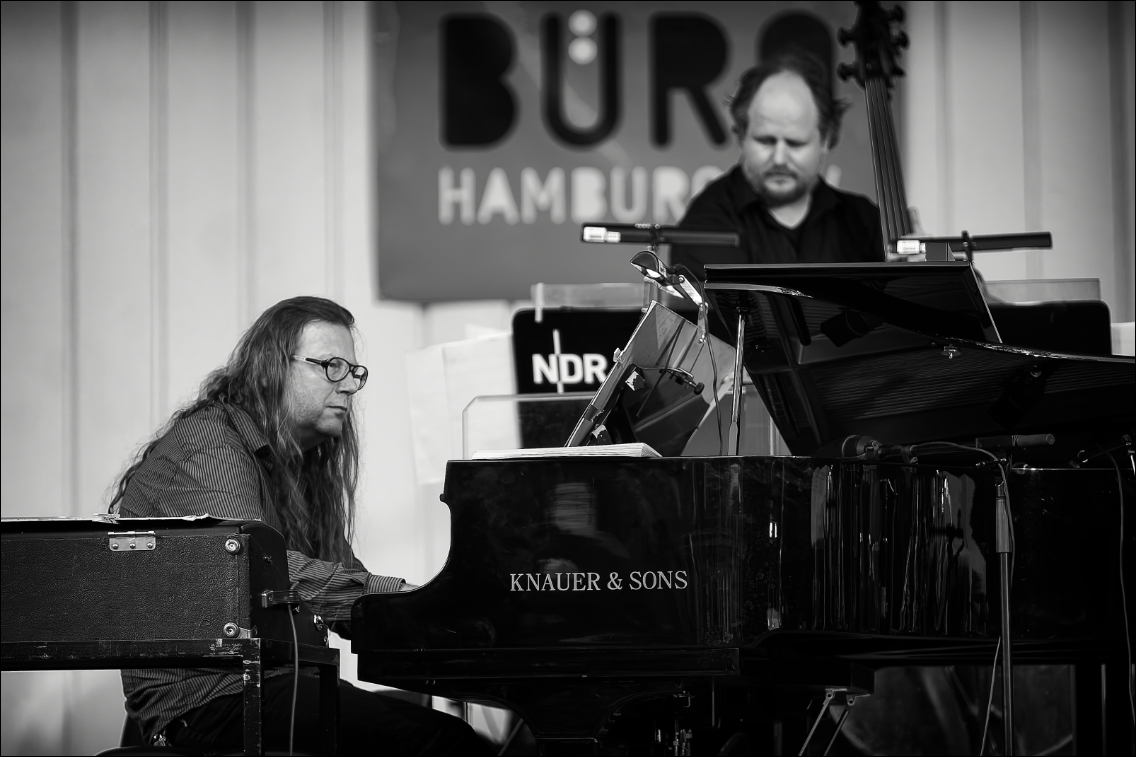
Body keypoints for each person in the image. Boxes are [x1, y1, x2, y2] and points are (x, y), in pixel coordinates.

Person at [108, 295, 490, 755]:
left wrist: (441, 615)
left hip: (264, 690)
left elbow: (342, 585)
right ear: (272, 368)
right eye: (331, 366)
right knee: (445, 743)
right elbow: (259, 571)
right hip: (210, 704)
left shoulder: (297, 468)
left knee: (441, 728)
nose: (349, 385)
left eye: (353, 371)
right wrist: (413, 598)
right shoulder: (210, 446)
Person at [670, 51, 885, 281]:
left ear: (825, 140)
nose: (780, 158)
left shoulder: (864, 222)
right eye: (766, 141)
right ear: (742, 136)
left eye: (795, 143)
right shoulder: (706, 222)